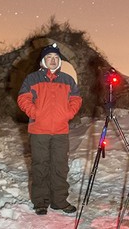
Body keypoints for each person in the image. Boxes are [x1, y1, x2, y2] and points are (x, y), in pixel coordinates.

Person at [17, 43, 83, 215]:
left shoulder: (67, 79)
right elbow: (23, 98)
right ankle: (41, 202)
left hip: (61, 131)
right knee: (40, 166)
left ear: (59, 61)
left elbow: (76, 99)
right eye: (49, 58)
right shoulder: (33, 79)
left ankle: (59, 201)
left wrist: (68, 113)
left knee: (60, 166)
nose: (53, 61)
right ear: (43, 61)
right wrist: (35, 112)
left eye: (56, 58)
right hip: (39, 131)